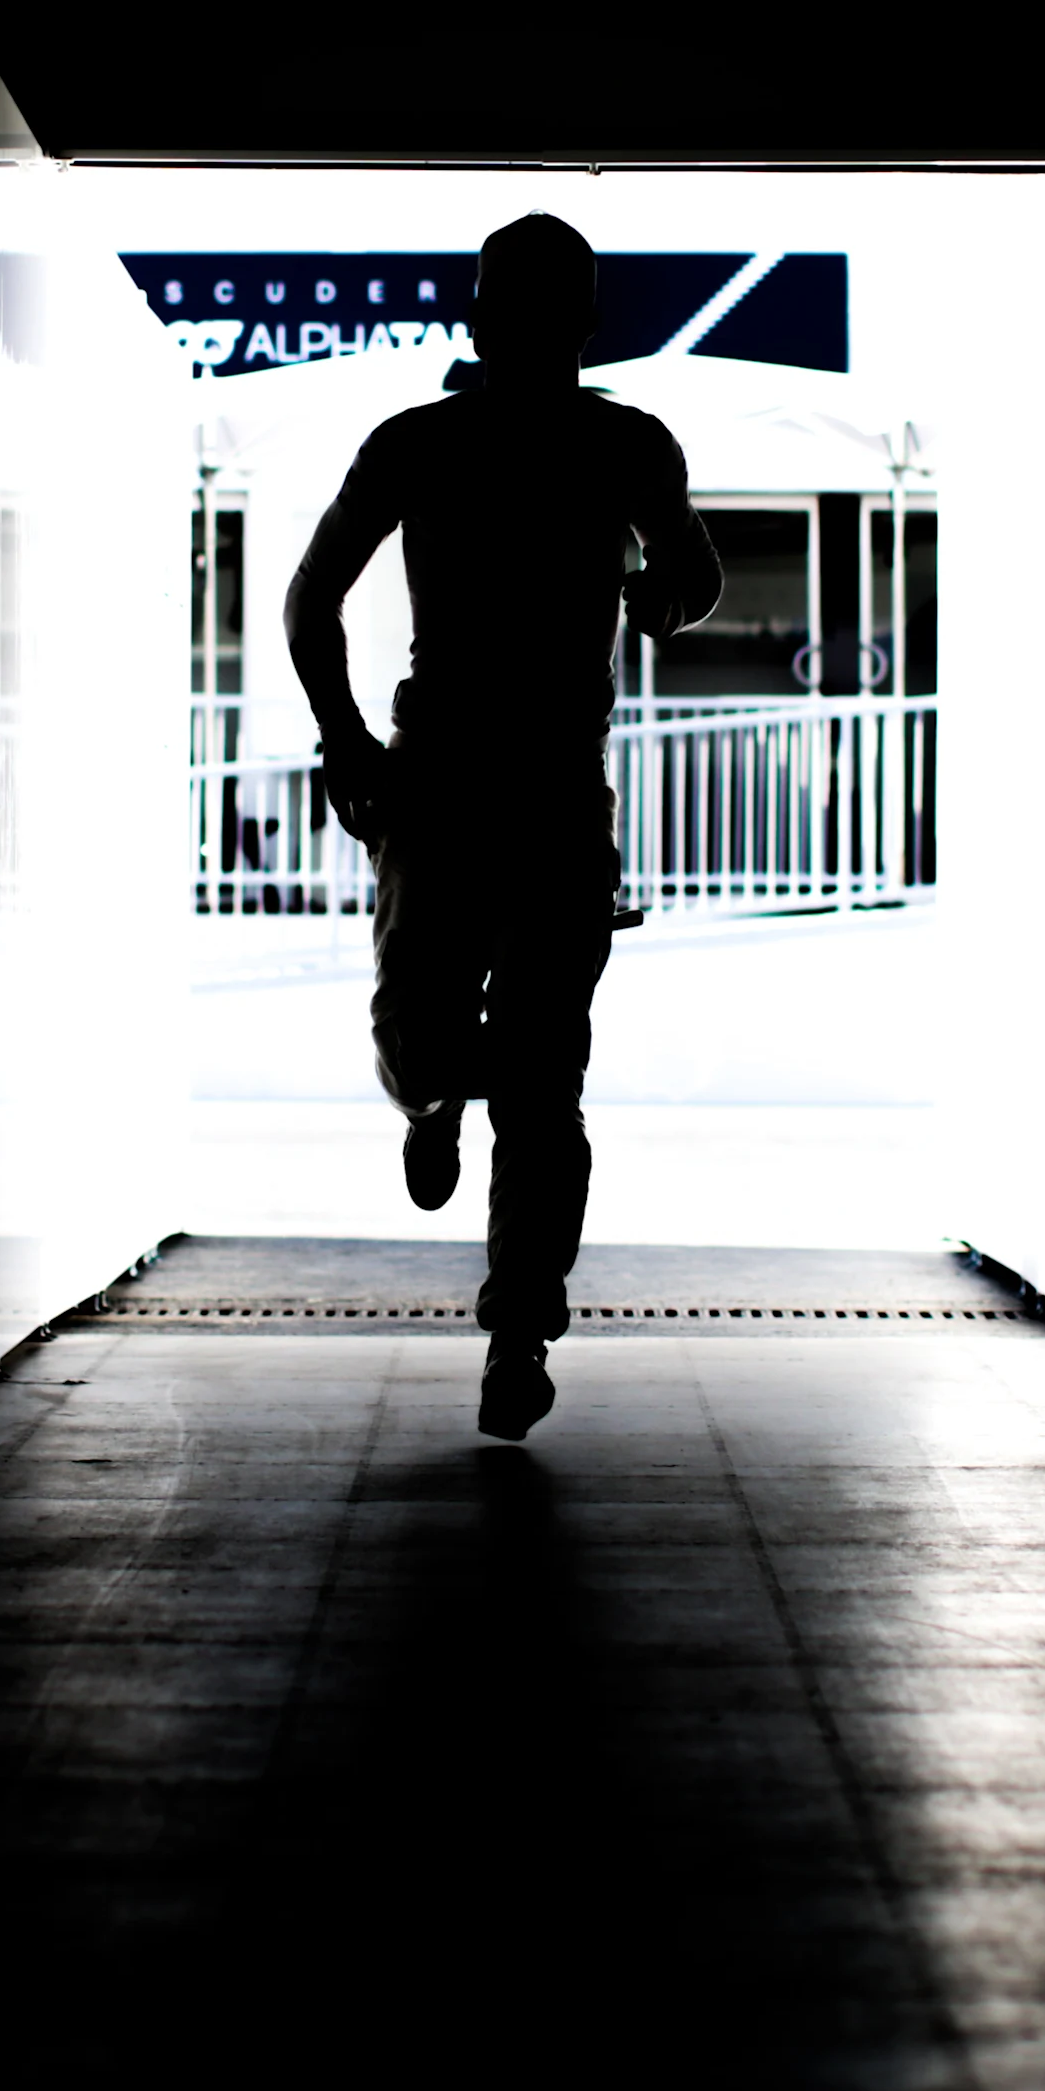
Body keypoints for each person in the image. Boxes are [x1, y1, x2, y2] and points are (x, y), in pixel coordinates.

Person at [284, 213, 724, 1439]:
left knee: (540, 1079)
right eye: (514, 311)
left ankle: (518, 1330)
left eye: (541, 311)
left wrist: (661, 591)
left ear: (565, 327)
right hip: (444, 782)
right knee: (440, 1049)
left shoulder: (618, 446)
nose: (525, 332)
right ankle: (436, 1103)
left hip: (537, 789)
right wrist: (345, 740)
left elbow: (694, 573)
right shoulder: (425, 445)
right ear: (489, 324)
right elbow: (311, 596)